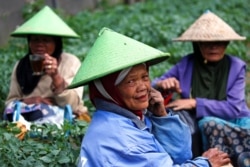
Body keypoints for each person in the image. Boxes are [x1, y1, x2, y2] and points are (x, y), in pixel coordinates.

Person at [68, 27, 231, 167]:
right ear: (109, 90)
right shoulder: (120, 138)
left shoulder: (129, 118)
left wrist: (162, 116)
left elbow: (181, 155)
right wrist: (206, 163)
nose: (143, 87)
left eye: (145, 77)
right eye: (131, 81)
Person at [152, 10, 250, 167]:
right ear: (197, 43)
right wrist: (162, 84)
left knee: (209, 123)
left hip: (237, 123)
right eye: (207, 43)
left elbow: (234, 108)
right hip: (200, 124)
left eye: (219, 42)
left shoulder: (236, 66)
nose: (213, 47)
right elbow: (154, 85)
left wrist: (195, 103)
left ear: (226, 44)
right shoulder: (187, 64)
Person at [4, 6, 90, 127]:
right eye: (35, 40)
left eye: (46, 40)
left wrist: (56, 77)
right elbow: (11, 102)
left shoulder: (70, 62)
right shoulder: (22, 65)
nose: (40, 45)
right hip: (29, 114)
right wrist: (31, 101)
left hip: (64, 117)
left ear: (56, 43)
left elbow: (73, 105)